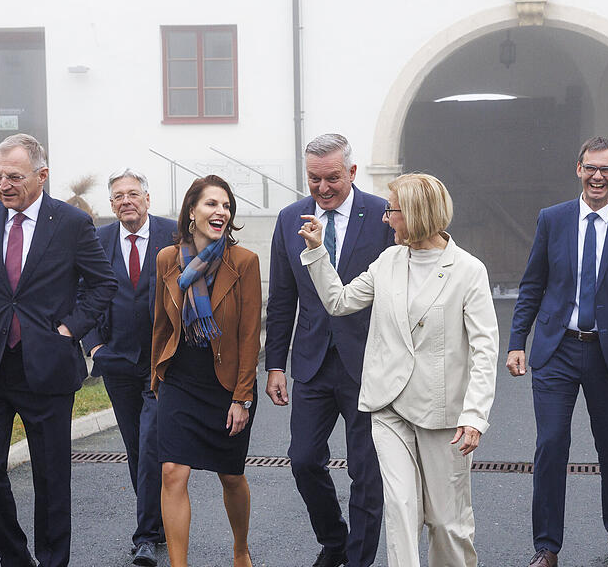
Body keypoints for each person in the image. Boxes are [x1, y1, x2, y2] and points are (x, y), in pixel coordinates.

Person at [299, 173, 498, 567]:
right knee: (401, 509)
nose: (386, 218)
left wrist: (475, 415)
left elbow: (484, 348)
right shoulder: (388, 261)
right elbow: (339, 302)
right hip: (388, 406)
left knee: (446, 523)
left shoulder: (468, 270)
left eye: (393, 211)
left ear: (419, 215)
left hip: (444, 415)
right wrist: (319, 252)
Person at [0, 133, 117, 567]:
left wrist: (69, 329)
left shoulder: (71, 224)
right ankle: (15, 558)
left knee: (52, 480)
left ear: (42, 175)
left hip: (48, 370)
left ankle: (53, 562)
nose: (3, 184)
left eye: (14, 176)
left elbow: (103, 284)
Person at [507, 136, 608, 567]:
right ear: (578, 169)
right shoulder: (553, 220)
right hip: (557, 351)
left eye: (606, 169)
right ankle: (547, 546)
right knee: (551, 444)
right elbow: (532, 283)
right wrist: (518, 341)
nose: (598, 176)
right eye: (591, 168)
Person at [264, 134, 394, 567]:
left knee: (365, 472)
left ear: (352, 172)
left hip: (369, 364)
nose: (322, 188)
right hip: (313, 363)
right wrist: (275, 365)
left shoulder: (381, 215)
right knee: (302, 460)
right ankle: (335, 540)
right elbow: (282, 299)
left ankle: (358, 560)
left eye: (332, 178)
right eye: (314, 178)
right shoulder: (288, 220)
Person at [150, 175, 261, 567]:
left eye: (226, 206)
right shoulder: (167, 259)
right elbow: (161, 325)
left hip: (226, 383)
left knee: (230, 476)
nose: (221, 212)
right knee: (172, 473)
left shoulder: (243, 262)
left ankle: (240, 548)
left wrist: (242, 397)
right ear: (192, 211)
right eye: (212, 204)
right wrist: (156, 379)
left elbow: (250, 336)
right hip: (180, 380)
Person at [80, 168, 176, 566]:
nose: (126, 201)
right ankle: (158, 523)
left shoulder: (173, 234)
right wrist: (93, 344)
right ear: (112, 205)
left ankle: (145, 537)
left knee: (152, 442)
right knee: (136, 447)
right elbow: (82, 289)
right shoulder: (98, 240)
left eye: (133, 194)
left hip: (160, 361)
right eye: (118, 196)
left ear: (148, 199)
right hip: (116, 359)